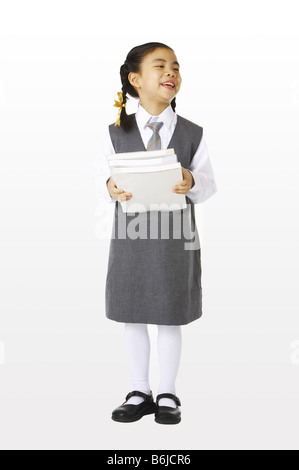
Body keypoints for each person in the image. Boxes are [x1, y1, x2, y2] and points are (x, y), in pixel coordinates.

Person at [93, 42, 217, 425]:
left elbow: (208, 184)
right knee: (133, 313)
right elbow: (103, 178)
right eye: (160, 65)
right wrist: (110, 187)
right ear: (135, 79)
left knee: (169, 314)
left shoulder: (192, 132)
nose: (171, 73)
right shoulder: (116, 132)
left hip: (175, 238)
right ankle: (139, 388)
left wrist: (190, 179)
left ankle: (167, 391)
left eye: (176, 67)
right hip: (131, 237)